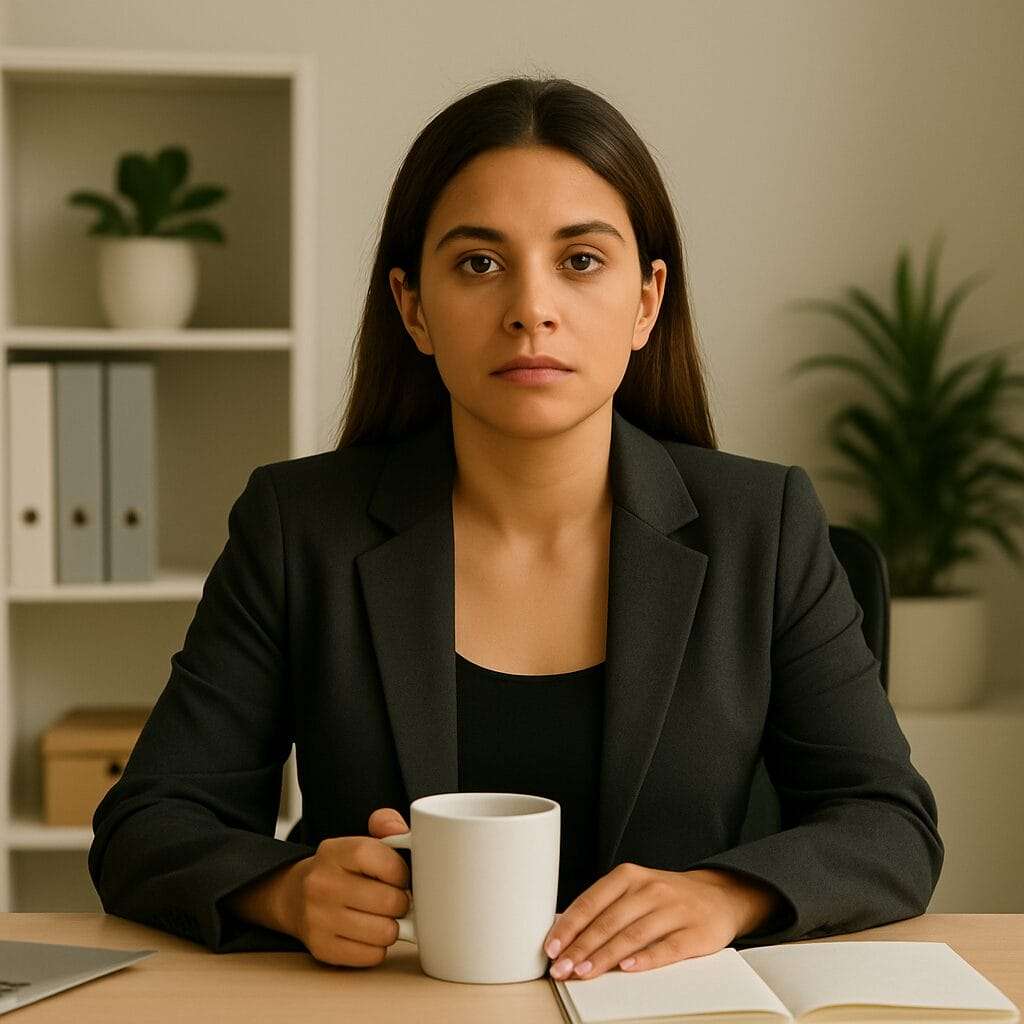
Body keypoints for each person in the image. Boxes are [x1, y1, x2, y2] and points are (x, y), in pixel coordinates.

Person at [88, 75, 943, 982]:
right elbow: (149, 824)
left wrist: (728, 895)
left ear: (647, 300)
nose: (530, 309)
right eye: (479, 263)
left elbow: (889, 824)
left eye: (580, 260)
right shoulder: (301, 528)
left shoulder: (763, 527)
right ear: (413, 307)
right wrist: (287, 891)